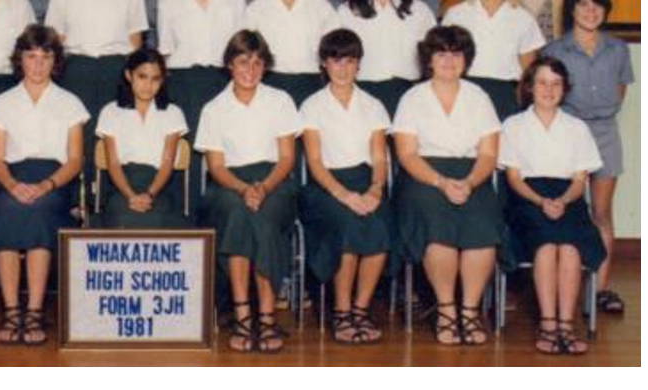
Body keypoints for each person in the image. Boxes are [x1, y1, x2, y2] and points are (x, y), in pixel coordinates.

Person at [392, 25, 502, 345]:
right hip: (424, 176)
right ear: (429, 60)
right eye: (441, 53)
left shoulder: (479, 97)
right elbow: (407, 154)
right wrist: (441, 183)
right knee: (436, 223)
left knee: (480, 223)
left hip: (472, 175)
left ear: (466, 60)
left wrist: (468, 182)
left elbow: (489, 152)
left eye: (456, 54)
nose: (449, 60)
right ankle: (446, 310)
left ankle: (469, 311)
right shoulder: (412, 98)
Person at [0, 24, 90, 345]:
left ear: (55, 61)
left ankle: (34, 311)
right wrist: (13, 186)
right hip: (12, 178)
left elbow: (74, 161)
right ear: (21, 60)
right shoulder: (2, 102)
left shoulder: (70, 102)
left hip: (54, 181)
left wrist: (45, 186)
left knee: (41, 211)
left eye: (46, 57)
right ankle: (11, 310)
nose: (38, 64)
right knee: (5, 209)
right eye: (31, 56)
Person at [196, 30, 302, 353]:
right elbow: (215, 167)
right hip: (230, 182)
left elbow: (286, 158)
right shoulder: (214, 108)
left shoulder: (280, 100)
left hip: (275, 180)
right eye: (243, 62)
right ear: (230, 64)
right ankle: (244, 315)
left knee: (264, 217)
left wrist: (264, 187)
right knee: (239, 214)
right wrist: (245, 189)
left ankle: (267, 317)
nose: (250, 70)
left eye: (257, 62)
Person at [500, 56, 606, 355]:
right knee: (546, 246)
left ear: (565, 89)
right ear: (530, 87)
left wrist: (562, 200)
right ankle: (547, 325)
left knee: (570, 248)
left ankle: (566, 325)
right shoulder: (514, 125)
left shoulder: (576, 127)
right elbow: (514, 177)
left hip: (567, 197)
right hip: (527, 198)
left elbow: (580, 178)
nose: (549, 89)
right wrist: (540, 200)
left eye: (556, 83)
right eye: (542, 83)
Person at [541, 0, 634, 315]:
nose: (590, 10)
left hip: (606, 133)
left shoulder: (618, 49)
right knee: (567, 209)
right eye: (582, 3)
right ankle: (562, 288)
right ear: (572, 9)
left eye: (597, 4)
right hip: (567, 131)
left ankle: (600, 289)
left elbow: (620, 92)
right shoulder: (554, 51)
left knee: (601, 213)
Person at [299, 29, 392, 344]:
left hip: (366, 182)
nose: (342, 68)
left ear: (358, 65)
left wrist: (376, 190)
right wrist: (344, 195)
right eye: (335, 61)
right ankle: (341, 312)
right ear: (324, 64)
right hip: (326, 188)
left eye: (349, 61)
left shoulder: (374, 105)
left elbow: (380, 158)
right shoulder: (311, 105)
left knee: (379, 224)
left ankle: (360, 310)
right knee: (349, 225)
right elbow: (314, 162)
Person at [46, 0, 147, 185]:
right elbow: (55, 47)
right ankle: (79, 201)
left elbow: (135, 45)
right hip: (77, 71)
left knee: (115, 135)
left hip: (116, 70)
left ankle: (113, 196)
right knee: (80, 136)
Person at [157, 0, 247, 205]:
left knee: (225, 152)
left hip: (224, 82)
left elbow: (242, 50)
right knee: (191, 155)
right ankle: (189, 221)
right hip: (184, 85)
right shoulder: (170, 2)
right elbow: (166, 54)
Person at [337, 0, 436, 117]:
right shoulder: (347, 12)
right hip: (361, 96)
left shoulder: (420, 11)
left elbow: (433, 61)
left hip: (408, 97)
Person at [442, 0, 546, 120]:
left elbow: (529, 73)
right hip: (465, 96)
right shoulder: (456, 14)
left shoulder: (523, 18)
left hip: (505, 99)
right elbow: (442, 63)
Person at [95, 48, 189, 228]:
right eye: (142, 76)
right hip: (122, 186)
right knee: (122, 218)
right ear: (129, 75)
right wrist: (131, 196)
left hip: (159, 187)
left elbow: (167, 162)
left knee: (160, 219)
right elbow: (113, 164)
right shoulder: (111, 112)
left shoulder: (173, 113)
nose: (148, 85)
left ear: (162, 80)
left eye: (155, 79)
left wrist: (150, 194)